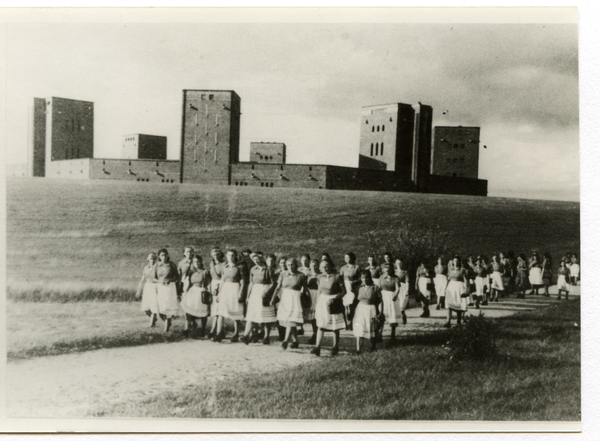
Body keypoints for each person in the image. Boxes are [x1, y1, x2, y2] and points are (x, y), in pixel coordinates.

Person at [272, 258, 310, 350]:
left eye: (292, 264)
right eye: (288, 265)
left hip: (296, 298)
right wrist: (273, 298)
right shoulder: (282, 274)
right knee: (289, 320)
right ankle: (295, 341)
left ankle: (285, 341)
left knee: (291, 320)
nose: (290, 267)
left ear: (296, 265)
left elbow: (305, 290)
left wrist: (306, 301)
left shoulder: (301, 275)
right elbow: (278, 287)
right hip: (285, 298)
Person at [311, 259, 346, 357]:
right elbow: (319, 291)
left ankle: (335, 347)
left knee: (335, 326)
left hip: (333, 302)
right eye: (322, 267)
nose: (324, 269)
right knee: (321, 325)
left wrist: (335, 298)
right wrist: (316, 303)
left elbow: (344, 291)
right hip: (322, 302)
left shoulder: (337, 277)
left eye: (326, 266)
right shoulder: (320, 277)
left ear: (331, 266)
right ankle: (317, 347)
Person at [241, 253, 277, 345]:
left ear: (262, 259)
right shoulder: (253, 269)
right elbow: (251, 283)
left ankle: (266, 337)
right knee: (252, 315)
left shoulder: (269, 269)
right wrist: (248, 296)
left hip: (265, 293)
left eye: (257, 259)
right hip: (255, 293)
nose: (256, 261)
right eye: (254, 259)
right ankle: (246, 336)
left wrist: (266, 292)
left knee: (266, 316)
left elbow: (273, 283)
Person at [213, 249, 247, 342]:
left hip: (235, 288)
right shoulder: (224, 266)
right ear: (226, 256)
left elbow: (243, 282)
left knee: (235, 311)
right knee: (221, 311)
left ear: (235, 256)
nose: (230, 257)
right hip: (225, 289)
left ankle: (236, 333)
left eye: (232, 255)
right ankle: (219, 333)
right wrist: (219, 293)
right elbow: (223, 279)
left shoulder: (240, 267)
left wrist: (240, 293)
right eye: (229, 255)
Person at [181, 254, 212, 338]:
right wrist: (186, 292)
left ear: (201, 262)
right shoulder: (191, 272)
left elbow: (208, 283)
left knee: (203, 312)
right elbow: (188, 284)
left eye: (198, 261)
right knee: (189, 312)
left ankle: (203, 329)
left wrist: (209, 293)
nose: (196, 263)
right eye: (195, 261)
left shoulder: (205, 272)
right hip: (192, 293)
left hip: (201, 292)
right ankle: (188, 329)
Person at [353, 270, 382, 354]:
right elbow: (355, 301)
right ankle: (358, 349)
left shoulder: (375, 287)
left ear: (370, 278)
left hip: (371, 309)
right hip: (360, 309)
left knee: (371, 328)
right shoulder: (359, 288)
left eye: (366, 277)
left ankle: (373, 346)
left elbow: (380, 301)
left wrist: (380, 312)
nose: (365, 279)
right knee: (360, 328)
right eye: (362, 277)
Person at [154, 248, 180, 332]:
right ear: (159, 256)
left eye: (165, 255)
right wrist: (160, 281)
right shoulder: (157, 265)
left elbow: (177, 277)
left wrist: (170, 280)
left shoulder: (172, 264)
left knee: (168, 307)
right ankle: (167, 321)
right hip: (161, 287)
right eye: (162, 255)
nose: (164, 257)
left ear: (168, 255)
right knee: (160, 308)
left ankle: (166, 328)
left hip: (170, 287)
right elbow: (153, 278)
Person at [379, 262, 404, 341]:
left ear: (392, 270)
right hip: (383, 297)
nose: (387, 272)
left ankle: (392, 333)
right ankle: (380, 333)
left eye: (389, 270)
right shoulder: (381, 277)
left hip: (392, 297)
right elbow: (379, 288)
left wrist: (395, 295)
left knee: (393, 316)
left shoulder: (395, 278)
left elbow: (398, 288)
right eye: (386, 270)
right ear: (384, 270)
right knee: (381, 315)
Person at [444, 255, 469, 327]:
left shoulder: (462, 270)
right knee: (449, 304)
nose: (456, 262)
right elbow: (448, 279)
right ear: (452, 262)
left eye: (457, 261)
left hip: (459, 287)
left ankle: (458, 321)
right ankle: (448, 321)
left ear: (459, 262)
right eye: (454, 261)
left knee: (458, 304)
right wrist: (445, 288)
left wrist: (466, 288)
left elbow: (465, 280)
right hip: (451, 287)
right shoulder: (450, 269)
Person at [135, 252, 159, 327]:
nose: (152, 259)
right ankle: (154, 319)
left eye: (154, 258)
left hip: (156, 286)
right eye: (151, 258)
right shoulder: (146, 268)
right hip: (147, 287)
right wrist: (139, 290)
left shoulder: (158, 266)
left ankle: (152, 325)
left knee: (154, 306)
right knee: (146, 308)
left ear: (156, 259)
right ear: (148, 259)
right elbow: (142, 279)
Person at [340, 252, 361, 330]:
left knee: (352, 306)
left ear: (352, 258)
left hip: (353, 288)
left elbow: (361, 278)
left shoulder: (357, 267)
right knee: (345, 306)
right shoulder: (343, 268)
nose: (346, 259)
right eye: (345, 257)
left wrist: (354, 282)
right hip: (345, 288)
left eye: (348, 257)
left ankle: (351, 322)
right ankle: (346, 323)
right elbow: (340, 278)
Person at [207, 248, 224, 339]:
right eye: (214, 254)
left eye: (217, 254)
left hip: (221, 285)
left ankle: (219, 331)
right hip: (213, 285)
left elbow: (224, 277)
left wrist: (218, 288)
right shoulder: (211, 264)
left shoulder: (223, 264)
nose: (216, 256)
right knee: (215, 309)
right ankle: (213, 329)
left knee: (220, 309)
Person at [304, 259, 321, 344]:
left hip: (318, 295)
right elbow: (305, 286)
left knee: (316, 316)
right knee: (312, 317)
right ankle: (315, 334)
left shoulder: (321, 275)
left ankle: (316, 335)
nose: (313, 267)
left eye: (315, 265)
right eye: (312, 265)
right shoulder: (308, 275)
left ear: (318, 266)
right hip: (310, 295)